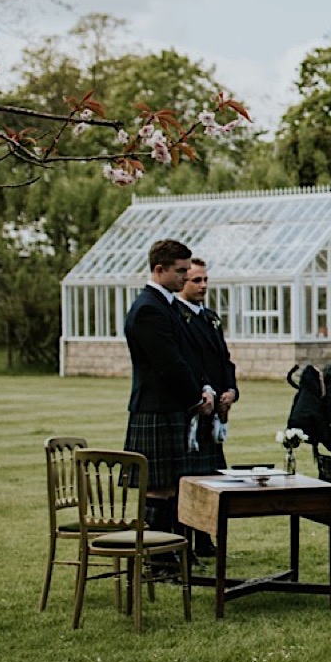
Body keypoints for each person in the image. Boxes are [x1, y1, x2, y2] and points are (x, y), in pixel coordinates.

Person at [123, 238, 212, 540]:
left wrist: (204, 388)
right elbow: (169, 363)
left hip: (170, 407)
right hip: (156, 408)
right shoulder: (149, 309)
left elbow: (187, 356)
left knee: (173, 485)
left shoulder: (167, 305)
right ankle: (156, 555)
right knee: (158, 488)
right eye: (181, 271)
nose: (186, 277)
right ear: (159, 270)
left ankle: (172, 550)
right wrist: (196, 398)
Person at [175, 255, 236, 557]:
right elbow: (186, 362)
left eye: (205, 280)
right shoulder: (177, 317)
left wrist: (231, 390)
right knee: (189, 479)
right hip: (193, 408)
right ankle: (181, 540)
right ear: (182, 281)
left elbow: (224, 359)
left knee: (211, 477)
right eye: (196, 280)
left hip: (215, 409)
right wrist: (202, 393)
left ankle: (204, 538)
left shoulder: (211, 318)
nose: (203, 285)